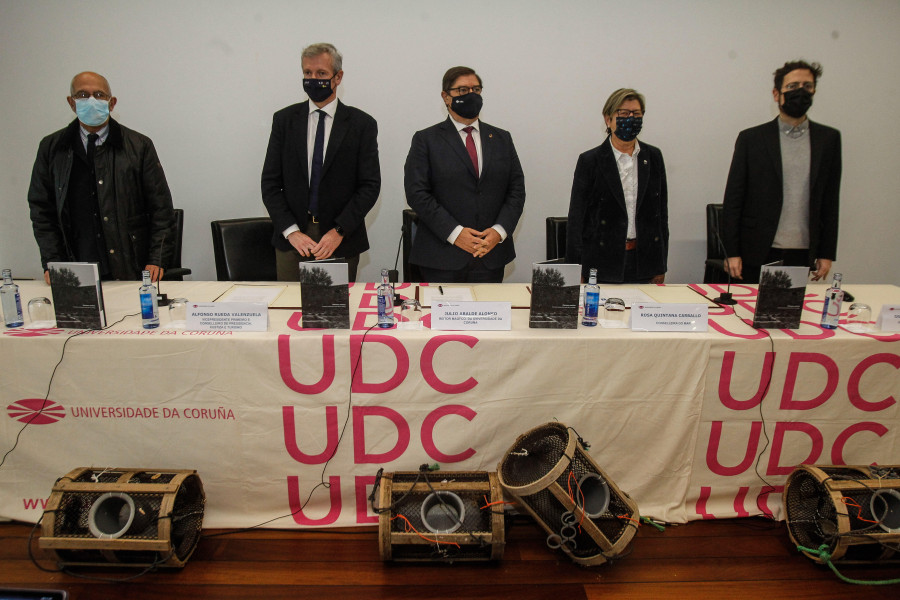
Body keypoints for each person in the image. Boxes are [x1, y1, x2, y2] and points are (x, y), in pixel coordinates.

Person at [27, 72, 175, 283]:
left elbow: (161, 208)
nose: (91, 101)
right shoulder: (52, 148)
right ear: (71, 102)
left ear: (111, 103)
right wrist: (53, 261)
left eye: (99, 95)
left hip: (130, 264)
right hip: (76, 264)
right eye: (82, 95)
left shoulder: (139, 146)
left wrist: (157, 259)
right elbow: (42, 211)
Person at [262, 42, 381, 282]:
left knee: (336, 306)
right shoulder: (284, 120)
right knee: (289, 303)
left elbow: (369, 186)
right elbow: (270, 184)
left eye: (321, 73)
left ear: (338, 77)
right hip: (293, 239)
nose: (313, 79)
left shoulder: (361, 124)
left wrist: (339, 231)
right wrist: (291, 232)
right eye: (308, 73)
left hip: (340, 239)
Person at [721, 60, 841, 284]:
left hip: (803, 250)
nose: (800, 92)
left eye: (807, 86)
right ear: (777, 94)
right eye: (792, 86)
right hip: (756, 249)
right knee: (750, 306)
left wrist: (826, 253)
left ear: (814, 91)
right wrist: (732, 251)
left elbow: (830, 200)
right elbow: (734, 199)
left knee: (791, 306)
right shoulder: (752, 139)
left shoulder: (828, 140)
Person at [404, 66, 525, 283]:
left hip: (490, 255)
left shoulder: (502, 139)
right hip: (441, 257)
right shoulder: (426, 140)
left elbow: (516, 190)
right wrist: (455, 233)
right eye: (462, 90)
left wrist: (499, 231)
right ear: (446, 97)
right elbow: (417, 193)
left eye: (476, 89)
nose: (471, 95)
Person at [566, 88, 668, 284]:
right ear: (608, 119)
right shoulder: (590, 160)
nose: (631, 118)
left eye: (636, 114)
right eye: (623, 113)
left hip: (644, 263)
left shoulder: (653, 157)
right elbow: (576, 219)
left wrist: (661, 264)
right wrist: (575, 267)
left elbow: (661, 215)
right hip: (601, 263)